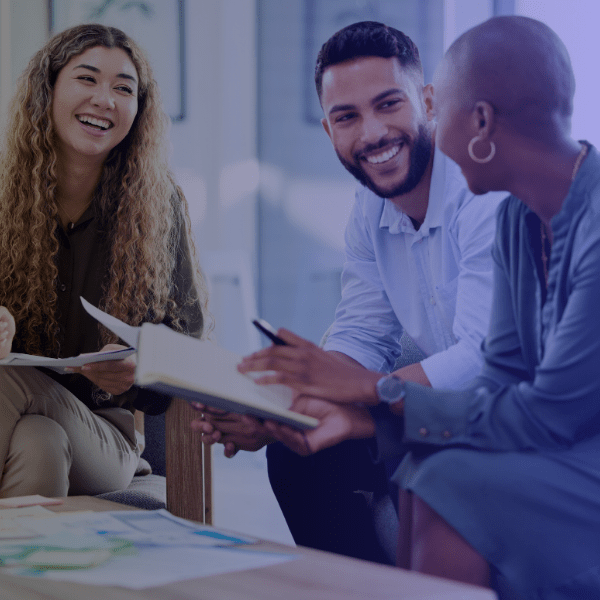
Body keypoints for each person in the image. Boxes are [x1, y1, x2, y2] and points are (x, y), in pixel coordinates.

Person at [240, 15, 600, 599]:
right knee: (428, 472)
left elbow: (540, 408)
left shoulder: (559, 215)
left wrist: (374, 403)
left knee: (446, 480)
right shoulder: (516, 218)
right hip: (524, 420)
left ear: (472, 118)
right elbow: (500, 371)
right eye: (346, 116)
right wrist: (311, 402)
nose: (379, 132)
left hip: (574, 439)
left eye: (438, 106)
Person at [194, 21, 506, 563]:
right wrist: (277, 408)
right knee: (300, 454)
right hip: (437, 402)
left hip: (501, 410)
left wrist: (361, 392)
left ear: (428, 100)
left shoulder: (482, 194)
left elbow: (481, 360)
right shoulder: (370, 209)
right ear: (328, 129)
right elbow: (362, 332)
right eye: (347, 117)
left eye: (389, 104)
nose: (372, 134)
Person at [0, 24, 208, 499]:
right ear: (48, 89)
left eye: (123, 89)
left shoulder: (158, 206)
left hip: (106, 437)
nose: (105, 99)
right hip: (26, 427)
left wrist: (142, 368)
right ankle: (34, 577)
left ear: (139, 110)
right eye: (87, 79)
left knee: (9, 385)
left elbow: (190, 346)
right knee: (40, 444)